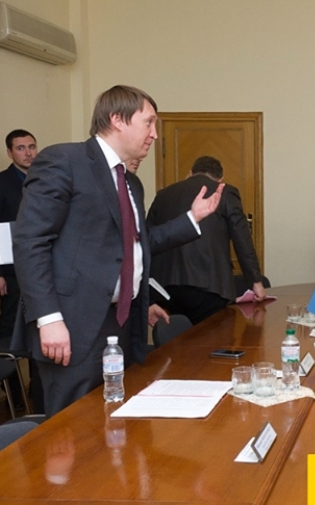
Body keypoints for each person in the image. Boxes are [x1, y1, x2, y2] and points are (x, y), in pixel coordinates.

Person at [13, 85, 223, 416]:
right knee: (72, 427)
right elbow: (30, 241)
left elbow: (135, 244)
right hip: (73, 325)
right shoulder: (64, 161)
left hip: (120, 323)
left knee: (114, 420)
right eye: (148, 122)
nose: (154, 134)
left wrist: (191, 219)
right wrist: (48, 318)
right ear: (117, 119)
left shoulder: (130, 182)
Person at [147, 156, 266, 324]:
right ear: (220, 179)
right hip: (209, 286)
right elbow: (242, 241)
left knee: (176, 337)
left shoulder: (163, 195)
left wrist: (148, 296)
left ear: (190, 173)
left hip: (165, 288)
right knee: (212, 338)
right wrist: (256, 281)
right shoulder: (225, 192)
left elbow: (145, 242)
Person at [0, 129, 41, 411]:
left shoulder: (44, 178)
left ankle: (39, 395)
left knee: (39, 330)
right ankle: (15, 400)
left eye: (31, 147)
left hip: (39, 269)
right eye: (21, 148)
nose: (28, 153)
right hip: (11, 272)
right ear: (10, 152)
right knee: (11, 333)